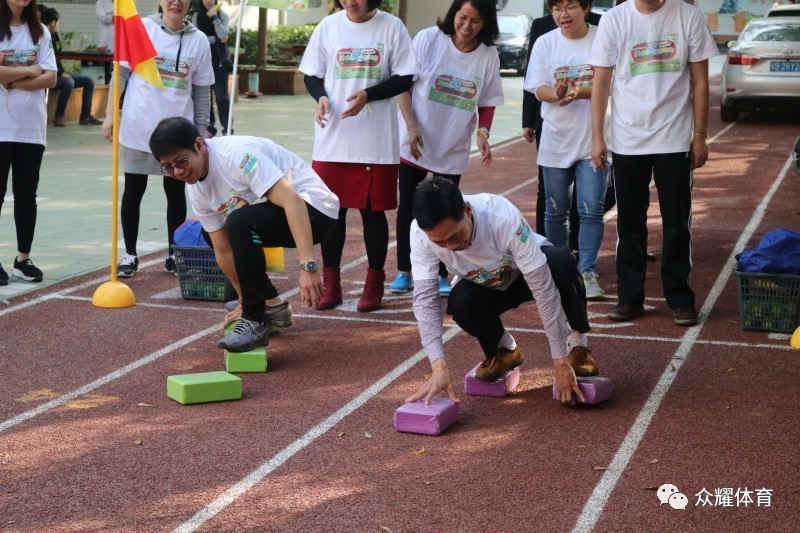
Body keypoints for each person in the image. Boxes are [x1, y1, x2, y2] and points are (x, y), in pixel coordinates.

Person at [149, 117, 340, 352]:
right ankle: (269, 306)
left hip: (315, 211)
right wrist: (243, 298)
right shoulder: (197, 189)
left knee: (239, 220)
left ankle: (254, 322)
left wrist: (307, 265)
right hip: (279, 215)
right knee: (213, 231)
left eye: (181, 162)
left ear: (199, 144)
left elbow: (291, 200)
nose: (177, 172)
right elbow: (222, 248)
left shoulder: (238, 156)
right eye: (168, 167)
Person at [405, 176, 600, 405]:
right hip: (485, 284)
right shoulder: (419, 234)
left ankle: (578, 344)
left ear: (467, 210)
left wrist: (560, 360)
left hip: (527, 274)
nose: (451, 247)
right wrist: (437, 365)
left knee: (562, 263)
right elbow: (425, 300)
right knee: (460, 302)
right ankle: (506, 350)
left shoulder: (501, 216)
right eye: (440, 243)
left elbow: (544, 289)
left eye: (455, 236)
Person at [589, 0, 717, 326]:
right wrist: (597, 138)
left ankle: (680, 297)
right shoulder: (614, 20)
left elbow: (700, 80)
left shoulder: (687, 16)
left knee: (677, 222)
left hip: (674, 140)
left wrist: (700, 134)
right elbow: (601, 82)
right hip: (627, 140)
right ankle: (630, 299)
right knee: (629, 223)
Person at [299, 0, 418, 313]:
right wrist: (321, 97)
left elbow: (405, 78)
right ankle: (332, 283)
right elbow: (311, 74)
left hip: (375, 139)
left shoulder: (392, 27)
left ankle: (374, 282)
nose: (350, 2)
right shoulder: (329, 26)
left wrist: (369, 94)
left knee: (371, 212)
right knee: (331, 212)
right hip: (333, 137)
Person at [391, 0, 504, 298]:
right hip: (416, 140)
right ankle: (405, 270)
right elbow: (402, 85)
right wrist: (412, 125)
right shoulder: (429, 39)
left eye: (475, 21)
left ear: (486, 23)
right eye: (462, 17)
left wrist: (483, 133)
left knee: (447, 211)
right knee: (409, 209)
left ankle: (441, 272)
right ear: (454, 14)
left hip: (453, 144)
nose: (466, 27)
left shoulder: (488, 55)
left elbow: (487, 101)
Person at [101, 0, 214, 278]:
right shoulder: (141, 28)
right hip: (138, 128)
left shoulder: (198, 40)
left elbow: (201, 90)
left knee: (175, 192)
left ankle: (174, 254)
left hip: (178, 134)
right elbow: (122, 72)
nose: (176, 2)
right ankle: (129, 254)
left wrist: (199, 132)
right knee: (133, 190)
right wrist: (110, 114)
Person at [524, 0, 607, 300]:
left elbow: (608, 82)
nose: (563, 14)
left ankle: (588, 271)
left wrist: (579, 92)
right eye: (557, 8)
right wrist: (556, 93)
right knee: (555, 209)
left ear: (585, 8)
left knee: (591, 208)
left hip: (593, 137)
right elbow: (537, 86)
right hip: (556, 139)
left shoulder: (602, 36)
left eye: (570, 6)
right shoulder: (545, 42)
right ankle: (558, 269)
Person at [0, 0, 57, 285]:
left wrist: (12, 81)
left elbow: (50, 77)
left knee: (26, 196)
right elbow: (39, 72)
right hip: (0, 129)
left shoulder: (41, 31)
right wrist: (31, 70)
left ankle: (23, 260)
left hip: (31, 130)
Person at [41, 7, 103, 127]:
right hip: (46, 75)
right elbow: (46, 59)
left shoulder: (55, 36)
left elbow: (57, 56)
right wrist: (60, 73)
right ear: (53, 23)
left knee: (88, 81)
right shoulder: (41, 35)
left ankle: (85, 116)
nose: (57, 26)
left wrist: (62, 72)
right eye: (57, 24)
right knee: (68, 83)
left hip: (58, 73)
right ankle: (59, 116)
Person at [192, 0, 232, 137]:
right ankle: (210, 127)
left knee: (222, 97)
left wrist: (215, 18)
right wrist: (214, 39)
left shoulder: (223, 16)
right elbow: (196, 38)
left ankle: (227, 128)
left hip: (220, 62)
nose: (208, 1)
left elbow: (223, 34)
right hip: (202, 61)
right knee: (205, 95)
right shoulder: (197, 16)